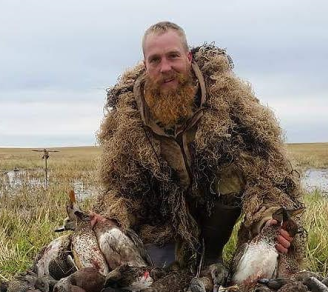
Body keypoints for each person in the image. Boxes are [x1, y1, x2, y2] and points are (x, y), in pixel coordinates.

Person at [95, 21, 304, 275]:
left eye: (173, 56)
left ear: (188, 56)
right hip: (165, 222)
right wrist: (111, 219)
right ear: (144, 65)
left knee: (264, 262)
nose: (165, 68)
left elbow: (268, 173)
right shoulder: (127, 119)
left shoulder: (230, 101)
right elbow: (121, 189)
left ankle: (211, 255)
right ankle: (174, 256)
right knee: (152, 276)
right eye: (155, 60)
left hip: (215, 215)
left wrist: (269, 220)